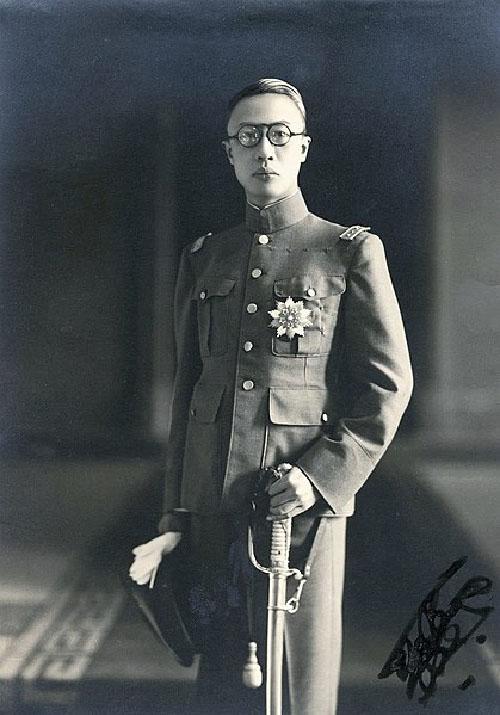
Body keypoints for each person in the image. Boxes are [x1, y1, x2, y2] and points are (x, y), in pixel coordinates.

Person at [156, 78, 413, 714]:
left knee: (296, 687)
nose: (263, 150)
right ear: (229, 154)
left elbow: (388, 384)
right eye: (248, 138)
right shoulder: (205, 257)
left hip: (297, 509)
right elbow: (189, 391)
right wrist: (174, 512)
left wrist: (319, 478)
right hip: (212, 504)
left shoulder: (346, 252)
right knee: (223, 683)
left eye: (278, 136)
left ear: (302, 150)